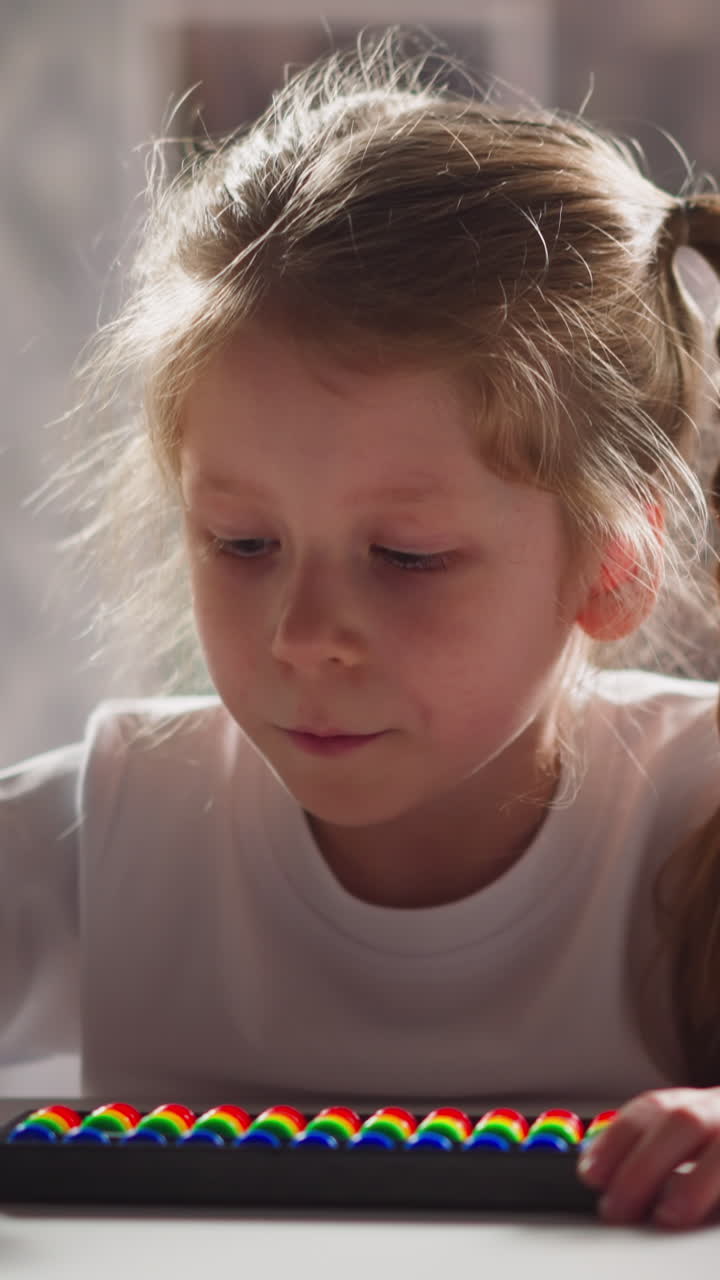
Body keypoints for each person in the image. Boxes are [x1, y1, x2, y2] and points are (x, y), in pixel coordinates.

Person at [3, 28, 720, 1229]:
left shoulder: (695, 815)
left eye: (407, 558)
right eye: (241, 542)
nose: (305, 634)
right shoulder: (121, 828)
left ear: (615, 557)